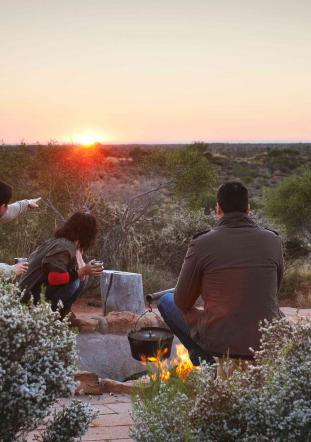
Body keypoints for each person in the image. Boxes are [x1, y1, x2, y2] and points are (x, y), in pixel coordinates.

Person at [158, 181, 284, 365]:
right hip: (264, 340)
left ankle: (206, 361)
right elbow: (274, 290)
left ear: (218, 209)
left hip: (220, 342)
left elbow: (182, 301)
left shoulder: (201, 243)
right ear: (248, 209)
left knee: (167, 301)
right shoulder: (273, 241)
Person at [20, 211, 102, 318]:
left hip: (36, 290)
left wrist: (84, 267)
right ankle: (50, 316)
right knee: (75, 282)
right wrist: (83, 271)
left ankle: (61, 314)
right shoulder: (63, 247)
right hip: (28, 296)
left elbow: (80, 275)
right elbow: (54, 278)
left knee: (81, 279)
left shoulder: (68, 244)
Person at [0, 180, 41, 278]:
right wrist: (11, 270)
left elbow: (8, 212)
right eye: (6, 206)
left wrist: (27, 203)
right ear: (2, 207)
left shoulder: (3, 210)